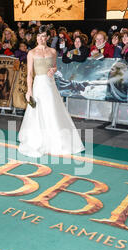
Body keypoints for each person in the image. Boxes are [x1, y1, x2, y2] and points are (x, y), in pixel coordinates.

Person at [18, 25, 85, 158]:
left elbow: (54, 67)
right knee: (37, 112)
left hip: (50, 85)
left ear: (47, 37)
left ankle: (57, 140)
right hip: (38, 85)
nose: (40, 39)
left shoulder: (53, 52)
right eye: (38, 36)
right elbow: (30, 73)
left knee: (53, 111)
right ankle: (38, 140)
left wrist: (53, 70)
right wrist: (29, 91)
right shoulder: (31, 53)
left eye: (43, 36)